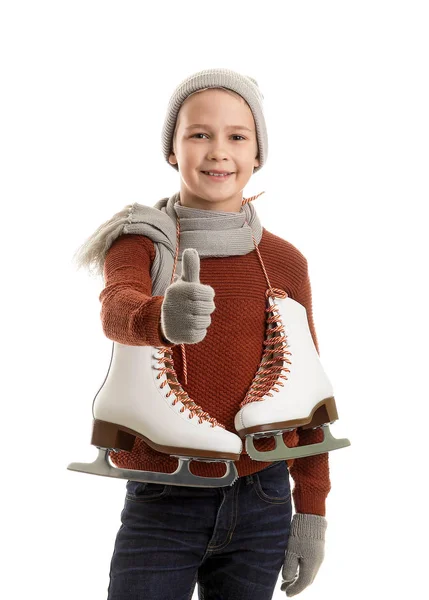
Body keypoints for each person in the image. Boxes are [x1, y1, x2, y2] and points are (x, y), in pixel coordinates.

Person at [75, 68, 331, 599]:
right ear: (172, 149)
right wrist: (159, 316)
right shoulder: (140, 244)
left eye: (238, 136)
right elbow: (116, 308)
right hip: (163, 493)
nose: (219, 151)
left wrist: (311, 509)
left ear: (258, 153)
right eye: (199, 134)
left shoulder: (284, 263)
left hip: (261, 498)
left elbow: (307, 389)